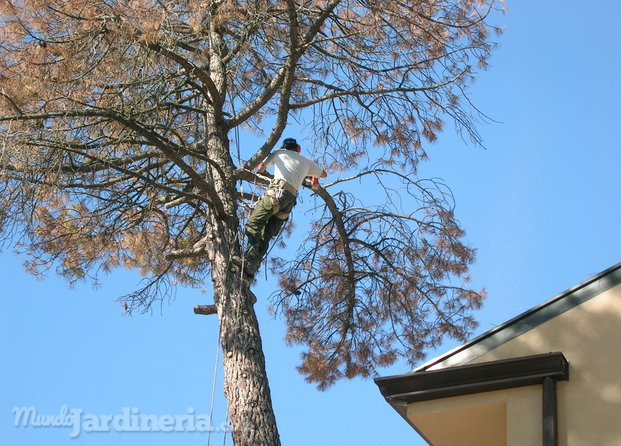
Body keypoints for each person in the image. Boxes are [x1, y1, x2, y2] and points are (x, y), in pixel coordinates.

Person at [235, 138, 327, 279]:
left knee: (253, 223)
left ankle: (249, 260)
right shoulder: (306, 161)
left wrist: (266, 174)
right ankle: (252, 265)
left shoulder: (279, 153)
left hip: (277, 192)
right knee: (266, 235)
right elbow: (323, 175)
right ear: (298, 149)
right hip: (289, 201)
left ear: (284, 147)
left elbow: (260, 168)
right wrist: (312, 176)